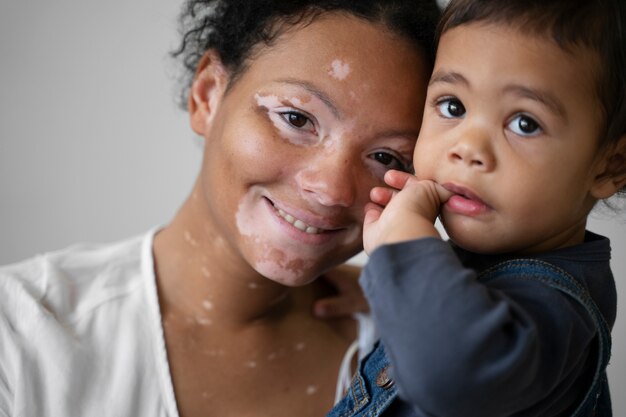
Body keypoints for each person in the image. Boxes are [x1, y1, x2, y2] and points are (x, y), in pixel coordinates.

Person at [0, 1, 442, 416]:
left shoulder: (422, 347)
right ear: (208, 94)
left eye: (387, 158)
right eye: (296, 119)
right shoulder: (21, 334)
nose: (331, 190)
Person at [327, 0, 626, 416]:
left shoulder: (556, 307)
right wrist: (385, 288)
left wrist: (403, 244)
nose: (467, 148)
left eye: (525, 123)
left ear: (611, 164)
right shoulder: (485, 267)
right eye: (453, 106)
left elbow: (450, 372)